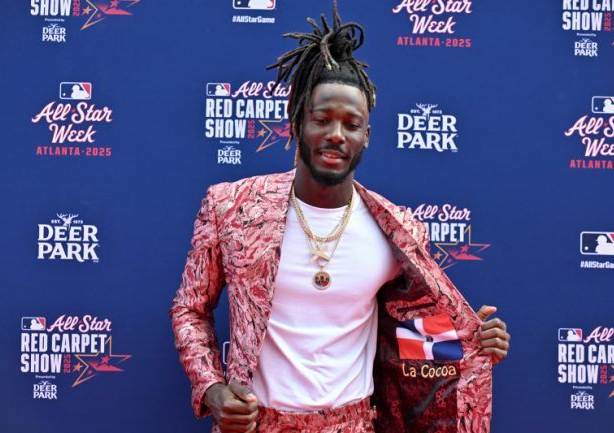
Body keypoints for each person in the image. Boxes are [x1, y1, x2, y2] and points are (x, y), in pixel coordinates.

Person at [170, 2, 510, 432]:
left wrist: (470, 342)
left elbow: (408, 341)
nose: (336, 134)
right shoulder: (231, 207)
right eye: (322, 119)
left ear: (366, 135)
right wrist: (213, 389)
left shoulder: (398, 229)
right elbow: (190, 309)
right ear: (297, 122)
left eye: (351, 124)